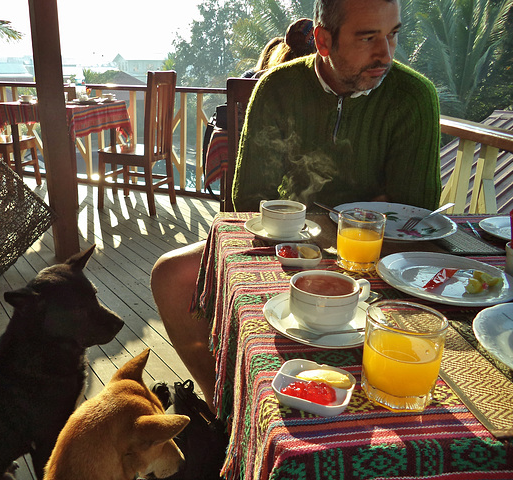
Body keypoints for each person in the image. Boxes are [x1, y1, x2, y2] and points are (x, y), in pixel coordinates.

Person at [151, 0, 441, 411]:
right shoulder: (279, 88)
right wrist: (351, 216)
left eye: (393, 34)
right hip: (287, 246)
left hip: (379, 257)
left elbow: (416, 211)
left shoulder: (413, 96)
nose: (386, 54)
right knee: (170, 276)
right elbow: (247, 201)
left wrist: (333, 222)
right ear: (323, 40)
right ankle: (224, 407)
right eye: (367, 37)